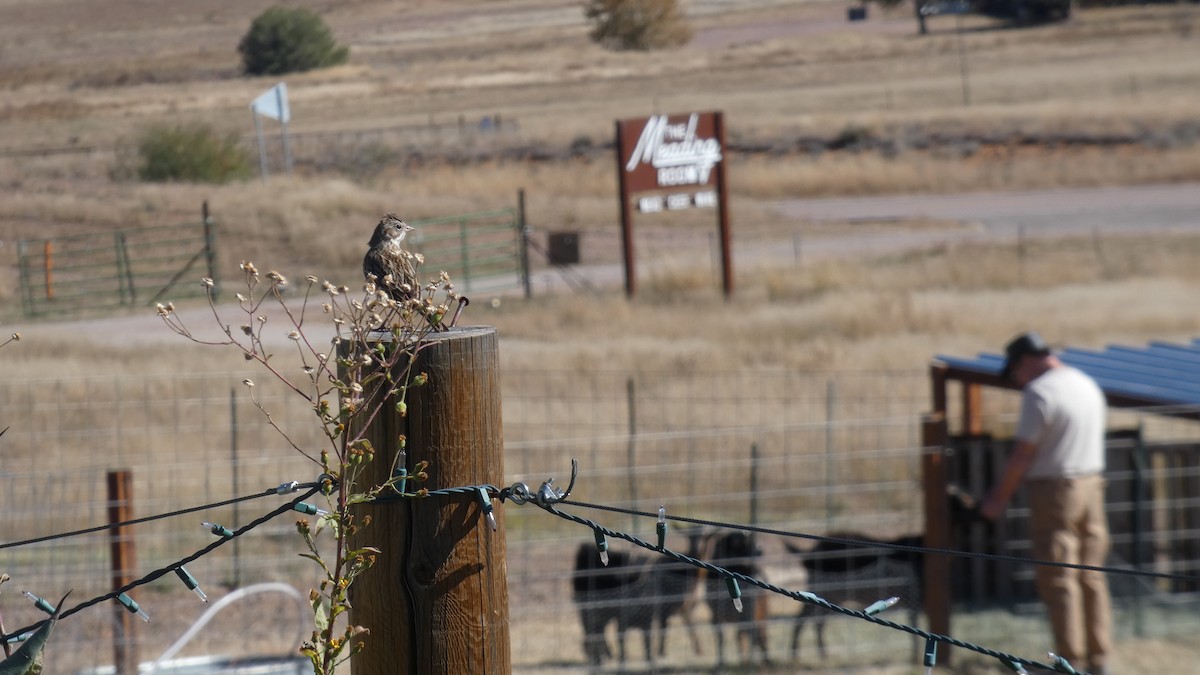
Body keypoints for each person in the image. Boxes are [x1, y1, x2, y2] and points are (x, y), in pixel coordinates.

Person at [980, 331, 1113, 675]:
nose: (1017, 379)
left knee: (1059, 577)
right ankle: (1100, 659)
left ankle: (1070, 662)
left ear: (1025, 361)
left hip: (1055, 490)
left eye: (1015, 372)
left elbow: (1024, 454)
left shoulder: (1040, 391)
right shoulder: (1084, 382)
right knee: (1092, 576)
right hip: (1092, 484)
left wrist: (996, 498)